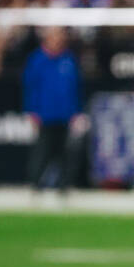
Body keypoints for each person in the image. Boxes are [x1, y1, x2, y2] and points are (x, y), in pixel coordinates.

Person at [23, 27, 82, 192]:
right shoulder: (37, 60)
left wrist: (76, 111)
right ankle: (35, 183)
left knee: (65, 153)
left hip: (65, 114)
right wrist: (31, 111)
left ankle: (64, 185)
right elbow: (30, 87)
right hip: (44, 114)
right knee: (42, 151)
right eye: (55, 37)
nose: (58, 41)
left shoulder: (69, 59)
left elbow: (76, 87)